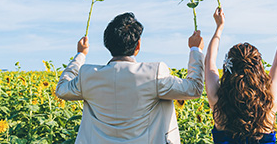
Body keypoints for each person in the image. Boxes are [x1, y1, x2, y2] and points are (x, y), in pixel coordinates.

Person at [55, 12, 205, 144]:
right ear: (138, 45)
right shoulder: (154, 73)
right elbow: (194, 89)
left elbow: (62, 89)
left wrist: (80, 55)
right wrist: (195, 50)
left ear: (107, 44)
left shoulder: (88, 75)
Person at [205, 7, 277, 144]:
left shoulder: (218, 101)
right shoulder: (268, 102)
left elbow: (210, 62)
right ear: (258, 69)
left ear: (228, 67)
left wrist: (219, 27)